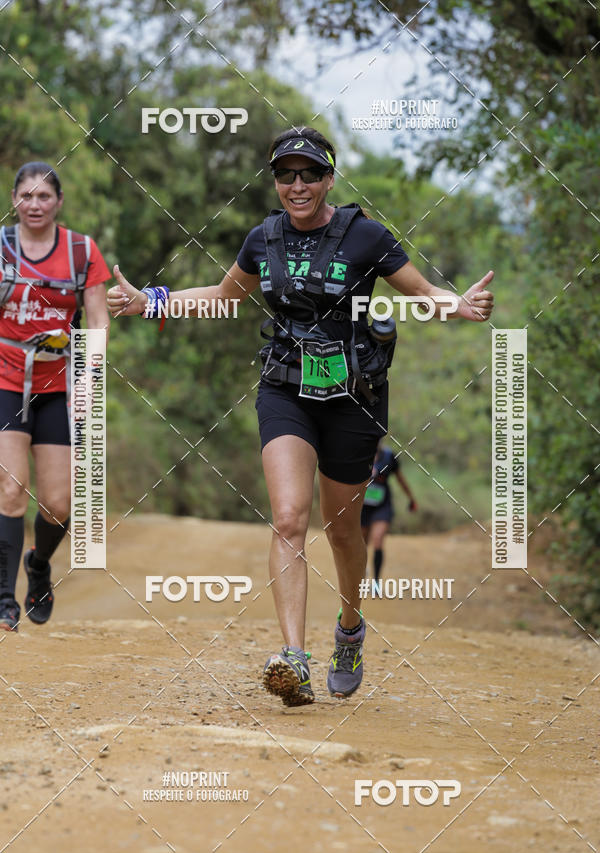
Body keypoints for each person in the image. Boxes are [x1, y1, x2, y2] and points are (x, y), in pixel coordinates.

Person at [107, 125, 494, 705]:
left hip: (353, 398)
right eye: (286, 174)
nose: (298, 184)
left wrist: (459, 306)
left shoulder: (363, 236)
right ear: (276, 181)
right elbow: (222, 296)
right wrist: (150, 300)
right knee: (289, 517)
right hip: (284, 390)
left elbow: (420, 292)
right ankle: (293, 657)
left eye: (310, 173)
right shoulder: (264, 239)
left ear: (329, 178)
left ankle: (349, 629)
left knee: (341, 530)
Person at [0, 162, 111, 632]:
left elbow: (98, 321)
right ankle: (4, 601)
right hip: (5, 380)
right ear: (14, 200)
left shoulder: (82, 252)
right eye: (26, 196)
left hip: (58, 386)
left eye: (44, 196)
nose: (35, 205)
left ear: (59, 202)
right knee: (10, 489)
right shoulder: (2, 249)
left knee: (60, 504)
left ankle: (39, 564)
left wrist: (90, 367)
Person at [361, 440, 417, 581]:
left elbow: (400, 479)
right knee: (362, 543)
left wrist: (411, 498)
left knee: (378, 538)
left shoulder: (389, 456)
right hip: (362, 506)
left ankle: (376, 582)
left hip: (382, 506)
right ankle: (361, 574)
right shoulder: (360, 453)